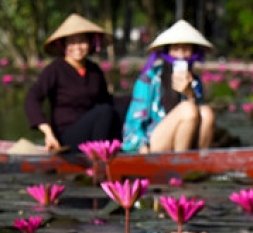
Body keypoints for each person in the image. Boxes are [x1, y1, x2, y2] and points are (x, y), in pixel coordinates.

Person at [25, 13, 120, 152]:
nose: (78, 47)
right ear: (64, 45)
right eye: (72, 42)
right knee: (104, 112)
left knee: (119, 111)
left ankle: (123, 151)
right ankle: (101, 157)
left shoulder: (94, 70)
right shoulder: (55, 69)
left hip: (94, 130)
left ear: (90, 43)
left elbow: (106, 100)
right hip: (67, 135)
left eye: (82, 41)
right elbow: (32, 98)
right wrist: (48, 132)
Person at [122, 20, 215, 154]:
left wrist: (189, 92)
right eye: (176, 49)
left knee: (206, 112)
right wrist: (142, 148)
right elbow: (134, 122)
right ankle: (180, 164)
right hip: (155, 142)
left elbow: (199, 118)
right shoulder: (149, 79)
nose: (181, 55)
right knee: (188, 109)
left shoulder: (195, 81)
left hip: (187, 140)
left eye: (186, 49)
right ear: (167, 51)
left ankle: (201, 163)